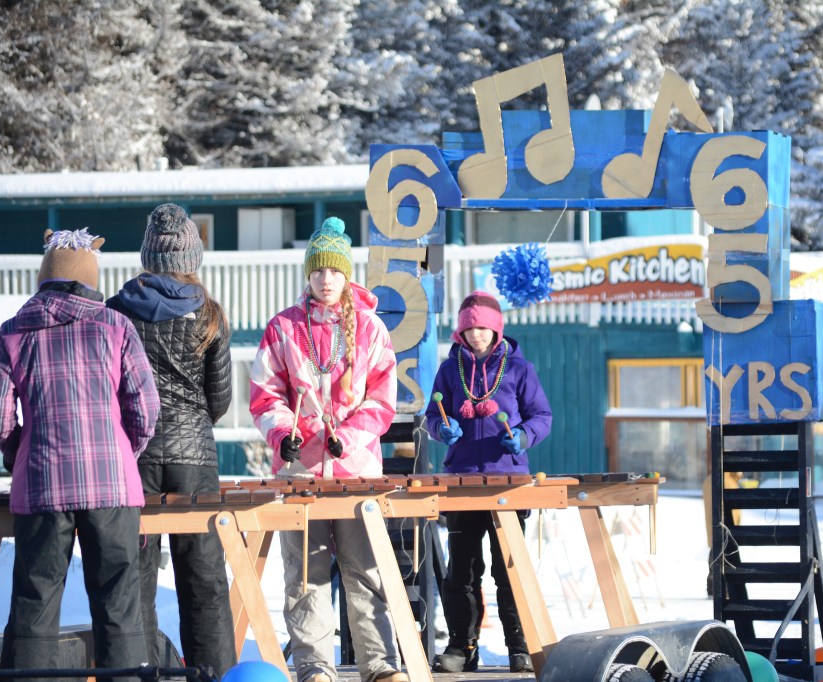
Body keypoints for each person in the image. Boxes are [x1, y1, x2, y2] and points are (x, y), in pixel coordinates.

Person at [0, 228, 160, 682]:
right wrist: (123, 451)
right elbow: (146, 407)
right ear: (90, 279)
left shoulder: (14, 331)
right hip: (112, 486)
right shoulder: (116, 326)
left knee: (35, 601)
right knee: (118, 601)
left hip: (41, 484)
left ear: (45, 277)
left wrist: (20, 452)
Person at [249, 217, 406, 682]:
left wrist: (348, 437)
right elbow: (264, 395)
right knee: (305, 575)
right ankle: (314, 667)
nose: (326, 279)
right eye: (318, 270)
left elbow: (383, 400)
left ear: (346, 273)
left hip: (357, 470)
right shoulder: (282, 327)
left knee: (366, 571)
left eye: (335, 270)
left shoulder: (372, 329)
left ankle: (379, 665)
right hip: (299, 472)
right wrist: (283, 434)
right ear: (308, 273)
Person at [106, 203, 237, 678]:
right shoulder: (210, 314)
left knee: (134, 578)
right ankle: (212, 672)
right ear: (191, 258)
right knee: (204, 578)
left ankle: (137, 671)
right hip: (194, 459)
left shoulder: (115, 311)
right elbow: (219, 400)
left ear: (149, 256)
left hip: (133, 457)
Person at [424, 290, 553, 674]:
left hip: (508, 483)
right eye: (469, 329)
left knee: (508, 569)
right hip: (461, 482)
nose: (476, 335)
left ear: (496, 330)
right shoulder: (450, 370)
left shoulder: (520, 369)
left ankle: (519, 645)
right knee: (461, 571)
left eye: (482, 328)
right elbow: (433, 415)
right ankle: (462, 647)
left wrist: (524, 437)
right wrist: (441, 428)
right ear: (460, 332)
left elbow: (542, 416)